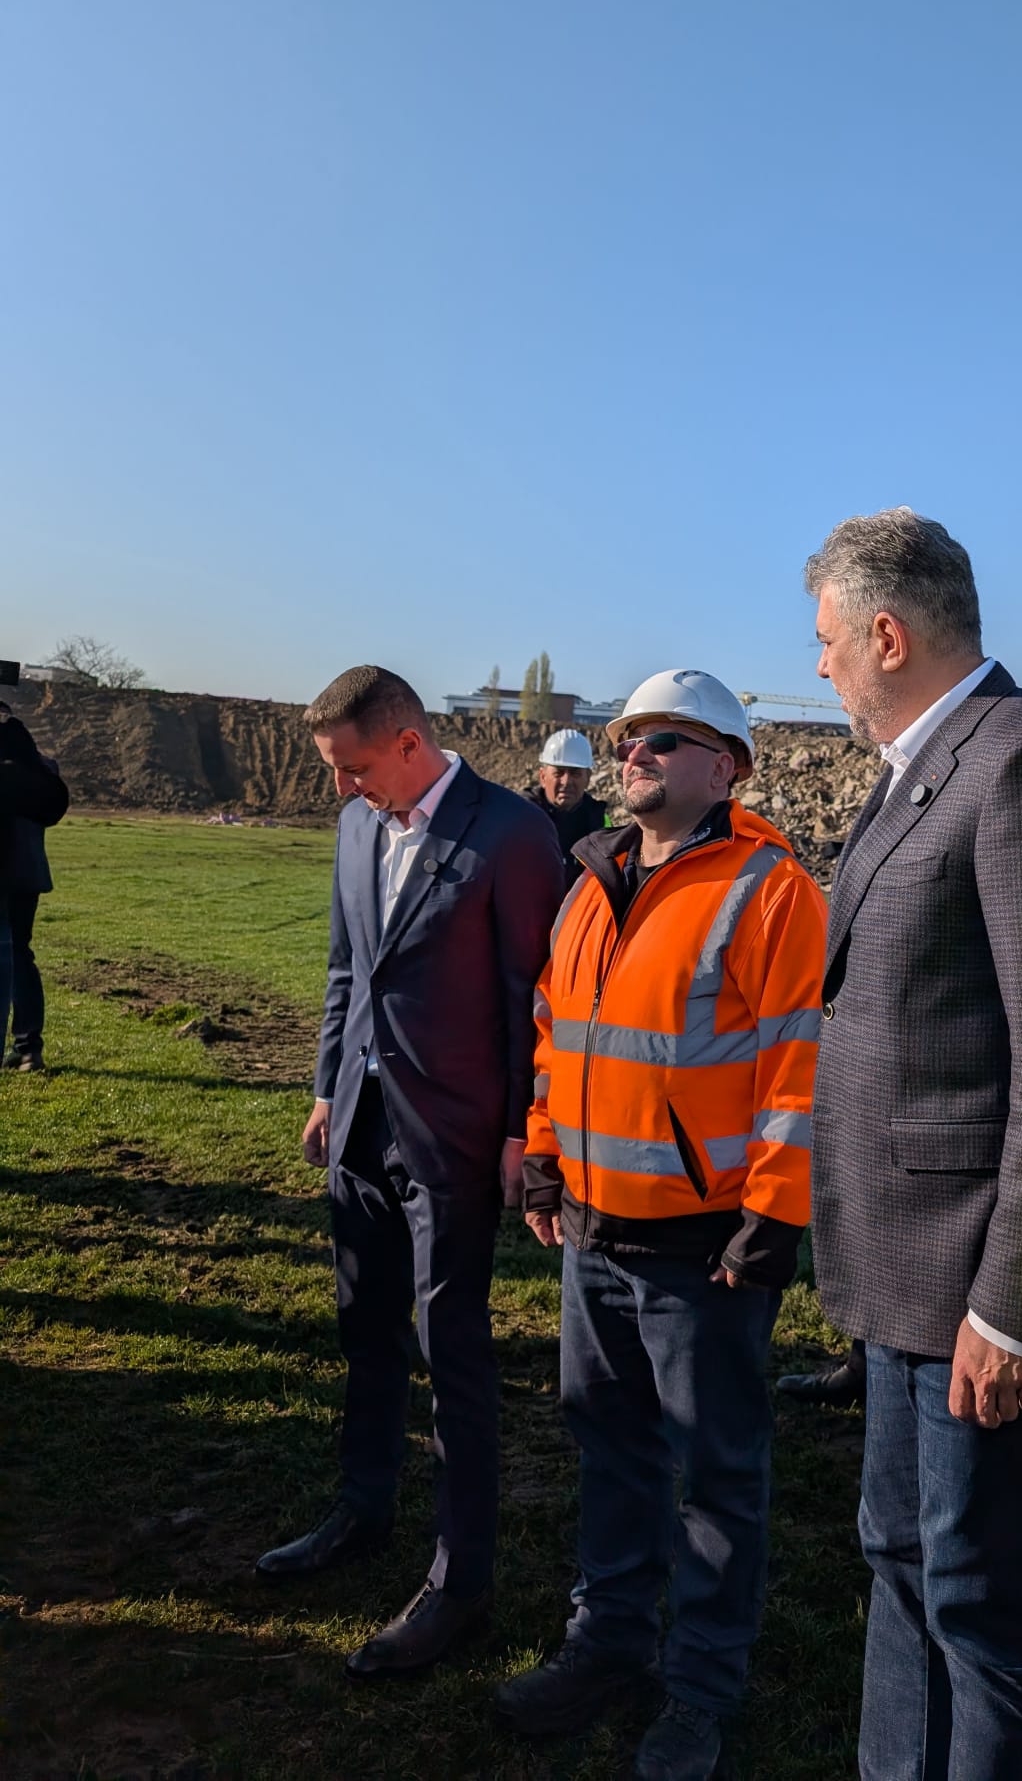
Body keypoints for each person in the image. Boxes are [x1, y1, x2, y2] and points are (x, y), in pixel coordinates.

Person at [804, 509, 1022, 1780]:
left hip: (970, 1289)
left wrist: (1011, 1306)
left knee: (983, 1600)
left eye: (830, 642)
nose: (822, 666)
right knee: (900, 1562)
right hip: (899, 1273)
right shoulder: (918, 768)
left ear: (887, 634)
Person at [495, 669, 828, 1781]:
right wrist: (543, 1151)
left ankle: (701, 1689)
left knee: (718, 1475)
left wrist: (775, 1214)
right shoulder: (589, 885)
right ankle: (610, 1643)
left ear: (727, 765)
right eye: (630, 736)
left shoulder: (772, 890)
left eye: (666, 740)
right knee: (611, 1453)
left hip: (704, 1251)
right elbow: (557, 1033)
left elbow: (797, 1068)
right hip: (591, 1233)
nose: (634, 751)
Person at [256, 666, 564, 1680]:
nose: (344, 790)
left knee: (453, 1349)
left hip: (456, 1136)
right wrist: (323, 1087)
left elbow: (535, 997)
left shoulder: (511, 834)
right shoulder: (356, 827)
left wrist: (530, 1129)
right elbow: (347, 968)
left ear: (405, 742)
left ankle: (458, 1579)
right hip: (360, 1125)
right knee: (366, 1326)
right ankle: (362, 1508)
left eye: (352, 769)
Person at [0, 704, 69, 1073]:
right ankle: (29, 1047)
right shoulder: (41, 769)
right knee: (19, 955)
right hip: (28, 873)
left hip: (8, 870)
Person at [526, 728, 608, 891]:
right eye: (559, 773)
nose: (566, 781)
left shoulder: (599, 823)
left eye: (575, 774)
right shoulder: (522, 817)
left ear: (588, 778)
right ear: (543, 777)